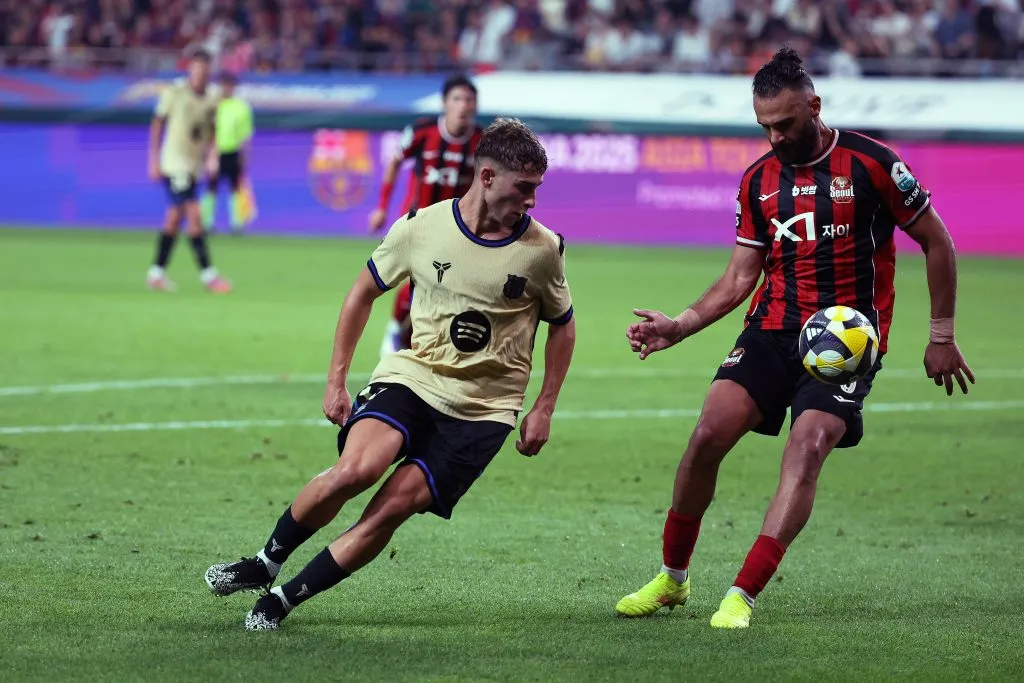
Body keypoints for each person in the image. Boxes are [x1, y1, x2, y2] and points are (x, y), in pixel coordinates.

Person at [614, 47, 974, 629]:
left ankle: (742, 594)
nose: (775, 137)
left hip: (846, 344)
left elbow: (939, 241)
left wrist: (941, 335)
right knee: (706, 435)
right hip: (773, 329)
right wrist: (678, 326)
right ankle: (672, 580)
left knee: (805, 450)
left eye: (785, 123)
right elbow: (738, 278)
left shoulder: (872, 164)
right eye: (765, 127)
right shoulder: (757, 180)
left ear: (814, 105)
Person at [204, 117, 576, 631]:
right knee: (356, 470)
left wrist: (545, 404)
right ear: (487, 177)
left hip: (484, 409)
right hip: (414, 376)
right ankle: (264, 562)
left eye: (537, 188)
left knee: (389, 509)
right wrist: (336, 380)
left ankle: (282, 601)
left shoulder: (543, 250)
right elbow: (362, 292)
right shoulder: (420, 228)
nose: (532, 200)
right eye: (524, 188)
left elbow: (563, 325)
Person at [369, 74, 484, 357]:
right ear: (445, 103)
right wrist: (382, 206)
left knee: (446, 285)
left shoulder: (482, 141)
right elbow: (396, 161)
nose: (463, 105)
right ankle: (397, 330)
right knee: (415, 280)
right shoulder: (423, 131)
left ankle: (416, 338)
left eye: (469, 100)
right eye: (457, 99)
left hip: (458, 228)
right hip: (418, 221)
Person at [146, 49, 232, 293]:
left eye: (205, 69)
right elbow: (157, 123)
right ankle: (209, 276)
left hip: (193, 166)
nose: (200, 74)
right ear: (189, 69)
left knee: (174, 220)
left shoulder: (213, 96)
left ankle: (156, 273)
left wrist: (212, 156)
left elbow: (212, 128)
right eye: (196, 69)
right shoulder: (175, 92)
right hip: (174, 163)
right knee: (194, 215)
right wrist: (153, 159)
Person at [200, 71, 256, 234]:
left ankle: (237, 223)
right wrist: (207, 152)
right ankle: (206, 222)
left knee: (235, 187)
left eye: (229, 85)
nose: (226, 89)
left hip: (233, 151)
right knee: (211, 187)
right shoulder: (213, 105)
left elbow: (245, 134)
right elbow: (206, 130)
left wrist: (245, 156)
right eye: (223, 85)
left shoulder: (241, 107)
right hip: (214, 151)